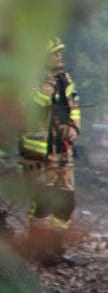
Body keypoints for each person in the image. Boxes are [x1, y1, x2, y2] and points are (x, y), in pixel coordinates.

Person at [18, 38, 80, 242]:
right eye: (54, 53)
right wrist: (47, 85)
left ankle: (56, 245)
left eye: (60, 53)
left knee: (66, 200)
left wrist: (74, 127)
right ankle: (36, 244)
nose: (59, 57)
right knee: (43, 201)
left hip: (62, 148)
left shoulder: (65, 79)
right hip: (37, 151)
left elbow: (74, 105)